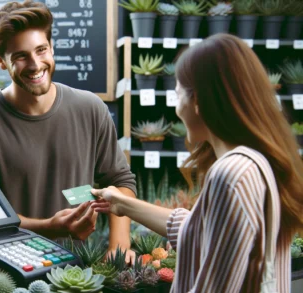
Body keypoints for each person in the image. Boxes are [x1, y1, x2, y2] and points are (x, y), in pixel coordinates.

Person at [91, 33, 303, 292]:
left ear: (199, 101)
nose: (177, 109)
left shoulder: (232, 174)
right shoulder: (255, 162)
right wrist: (122, 203)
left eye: (178, 94)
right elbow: (199, 231)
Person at [0, 0, 137, 262]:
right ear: (1, 61)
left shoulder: (91, 108)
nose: (35, 64)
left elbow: (120, 181)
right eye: (20, 56)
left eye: (41, 50)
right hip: (8, 271)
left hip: (81, 271)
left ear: (52, 48)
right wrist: (50, 227)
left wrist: (118, 247)